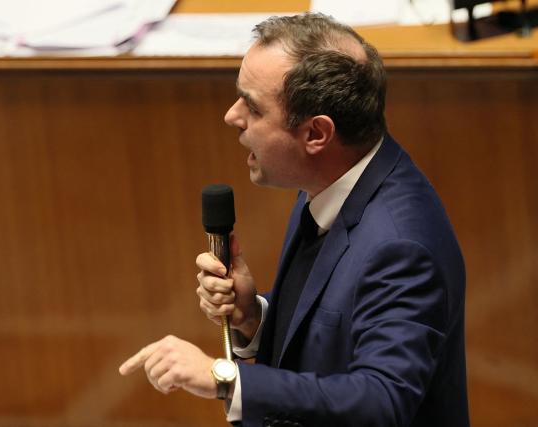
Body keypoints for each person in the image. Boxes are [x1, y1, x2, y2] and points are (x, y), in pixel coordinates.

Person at [119, 13, 469, 427]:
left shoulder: (401, 247)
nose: (232, 116)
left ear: (316, 134)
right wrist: (253, 317)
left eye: (252, 106)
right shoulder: (330, 183)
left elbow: (382, 401)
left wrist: (224, 379)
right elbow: (327, 334)